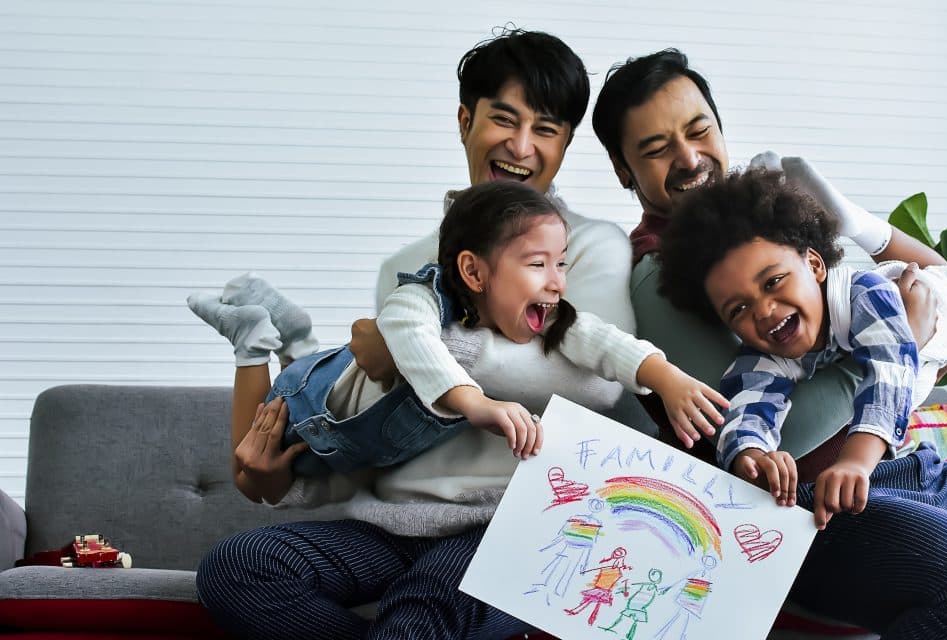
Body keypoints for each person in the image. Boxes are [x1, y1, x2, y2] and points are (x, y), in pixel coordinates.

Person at [195, 29, 649, 640]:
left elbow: (591, 386)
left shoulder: (588, 247)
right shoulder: (404, 270)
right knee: (238, 568)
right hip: (390, 524)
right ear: (466, 120)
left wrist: (416, 355)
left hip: (511, 520)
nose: (521, 146)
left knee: (425, 605)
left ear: (566, 144)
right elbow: (386, 422)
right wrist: (285, 480)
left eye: (546, 129)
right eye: (503, 119)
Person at [592, 49, 947, 637]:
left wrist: (879, 262)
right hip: (814, 516)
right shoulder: (660, 277)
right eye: (656, 148)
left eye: (699, 131)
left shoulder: (769, 220)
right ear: (623, 169)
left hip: (900, 475)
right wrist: (906, 343)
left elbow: (945, 288)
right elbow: (769, 432)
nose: (689, 157)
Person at [188, 181, 728, 491]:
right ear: (473, 272)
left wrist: (668, 379)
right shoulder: (423, 297)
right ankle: (255, 340)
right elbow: (409, 336)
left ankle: (293, 333)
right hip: (318, 405)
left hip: (356, 410)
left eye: (561, 263)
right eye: (538, 264)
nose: (558, 281)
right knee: (258, 449)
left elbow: (607, 346)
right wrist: (476, 403)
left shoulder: (550, 316)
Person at [659, 169, 947, 527]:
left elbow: (889, 373)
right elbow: (745, 405)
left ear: (814, 264)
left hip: (926, 302)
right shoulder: (763, 352)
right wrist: (751, 454)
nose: (763, 310)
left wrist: (855, 461)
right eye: (738, 309)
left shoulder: (867, 295)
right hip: (861, 344)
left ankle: (855, 222)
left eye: (774, 281)